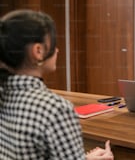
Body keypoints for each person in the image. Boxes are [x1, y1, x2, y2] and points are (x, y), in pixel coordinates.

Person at [0, 9, 114, 160]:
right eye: (54, 43)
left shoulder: (4, 94)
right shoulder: (55, 109)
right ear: (38, 51)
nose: (58, 50)